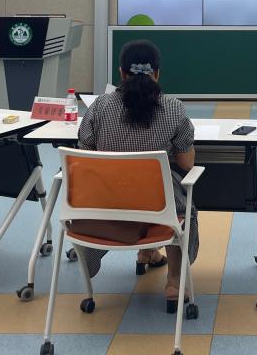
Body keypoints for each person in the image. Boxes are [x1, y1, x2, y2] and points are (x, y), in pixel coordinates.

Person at [75, 39, 197, 313]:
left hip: (106, 205)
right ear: (157, 73)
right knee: (179, 204)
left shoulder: (99, 107)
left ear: (121, 72)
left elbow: (85, 156)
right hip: (158, 207)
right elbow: (186, 163)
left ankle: (147, 252)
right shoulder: (173, 108)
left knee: (130, 190)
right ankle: (174, 282)